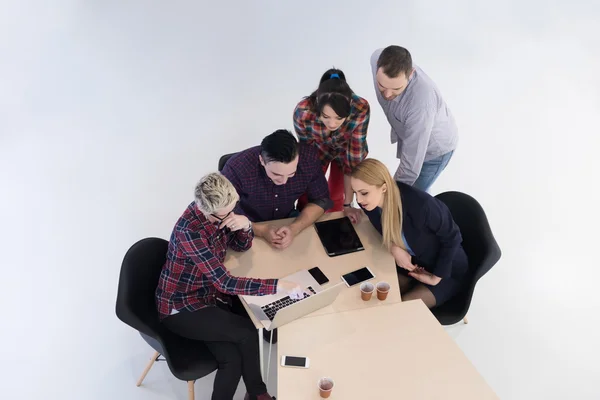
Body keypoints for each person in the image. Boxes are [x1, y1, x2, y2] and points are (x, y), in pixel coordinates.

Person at [156, 172, 301, 400]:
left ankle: (255, 394)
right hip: (181, 307)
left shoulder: (221, 211)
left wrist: (245, 226)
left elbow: (239, 246)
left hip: (208, 297)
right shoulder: (190, 232)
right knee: (248, 332)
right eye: (223, 216)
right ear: (205, 210)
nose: (228, 218)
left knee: (232, 360)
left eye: (233, 210)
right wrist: (278, 285)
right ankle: (258, 393)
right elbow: (224, 282)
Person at [350, 158, 468, 308]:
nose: (359, 200)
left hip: (446, 271)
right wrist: (393, 246)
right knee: (375, 295)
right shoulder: (372, 206)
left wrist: (435, 278)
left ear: (384, 188)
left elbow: (453, 238)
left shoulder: (422, 205)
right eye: (355, 193)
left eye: (364, 193)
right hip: (413, 266)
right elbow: (386, 230)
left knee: (403, 308)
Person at [221, 129, 333, 250]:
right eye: (276, 174)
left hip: (288, 219)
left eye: (291, 174)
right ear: (262, 161)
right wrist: (260, 230)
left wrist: (294, 228)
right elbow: (221, 212)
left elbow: (321, 200)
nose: (284, 181)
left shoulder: (309, 158)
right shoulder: (237, 167)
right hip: (246, 223)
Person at [371, 45, 459, 192]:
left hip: (434, 152)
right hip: (413, 136)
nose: (387, 95)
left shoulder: (421, 104)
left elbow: (410, 169)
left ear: (411, 74)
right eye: (382, 85)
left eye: (396, 89)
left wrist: (390, 195)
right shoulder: (375, 57)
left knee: (413, 197)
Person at [293, 68, 370, 223]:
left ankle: (334, 223)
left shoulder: (360, 109)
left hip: (346, 149)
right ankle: (301, 219)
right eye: (326, 117)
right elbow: (306, 154)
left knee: (337, 195)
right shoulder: (303, 112)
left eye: (339, 118)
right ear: (318, 107)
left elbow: (352, 162)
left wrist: (348, 204)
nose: (332, 124)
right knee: (308, 192)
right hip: (317, 149)